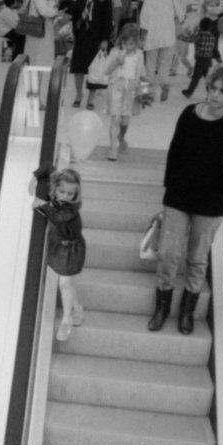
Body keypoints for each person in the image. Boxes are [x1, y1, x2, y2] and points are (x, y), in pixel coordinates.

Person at [149, 66, 223, 335]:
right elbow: (175, 152)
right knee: (168, 253)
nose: (215, 95)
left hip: (213, 203)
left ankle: (187, 310)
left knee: (197, 257)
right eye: (212, 88)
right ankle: (163, 305)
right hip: (179, 196)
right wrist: (169, 188)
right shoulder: (189, 114)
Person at [32, 166, 86, 342]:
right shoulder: (55, 202)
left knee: (64, 283)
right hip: (58, 247)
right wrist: (36, 176)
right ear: (55, 188)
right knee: (67, 283)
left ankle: (66, 320)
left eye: (70, 194)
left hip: (71, 250)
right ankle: (77, 309)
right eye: (62, 191)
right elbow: (46, 171)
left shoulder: (71, 208)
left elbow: (58, 217)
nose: (65, 196)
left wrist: (43, 204)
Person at [96, 24, 146, 159]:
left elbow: (142, 74)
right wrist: (117, 62)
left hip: (131, 89)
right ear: (121, 41)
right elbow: (105, 71)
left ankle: (121, 137)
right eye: (125, 43)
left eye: (131, 44)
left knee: (125, 121)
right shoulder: (114, 52)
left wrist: (145, 90)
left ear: (136, 43)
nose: (128, 47)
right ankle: (113, 148)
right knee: (115, 118)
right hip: (116, 87)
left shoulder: (139, 55)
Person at [66, 0, 113, 109]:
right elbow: (75, 15)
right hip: (82, 36)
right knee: (78, 68)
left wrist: (105, 39)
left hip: (97, 38)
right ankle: (79, 94)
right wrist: (75, 31)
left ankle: (91, 98)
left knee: (95, 69)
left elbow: (107, 18)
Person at [18, 0, 58, 109]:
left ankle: (35, 99)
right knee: (36, 66)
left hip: (39, 34)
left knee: (37, 67)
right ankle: (33, 100)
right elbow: (43, 11)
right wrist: (57, 10)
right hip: (39, 35)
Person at [139, 0, 178, 102]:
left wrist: (141, 39)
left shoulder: (148, 1)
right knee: (164, 66)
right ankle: (165, 85)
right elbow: (181, 15)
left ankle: (147, 94)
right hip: (168, 37)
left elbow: (144, 23)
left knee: (149, 67)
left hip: (152, 38)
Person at [183, 16, 220, 98]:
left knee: (195, 77)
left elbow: (191, 40)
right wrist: (218, 58)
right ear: (210, 27)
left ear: (200, 26)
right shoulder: (212, 37)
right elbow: (214, 49)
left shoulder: (199, 35)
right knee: (208, 78)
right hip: (208, 60)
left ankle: (189, 92)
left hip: (200, 60)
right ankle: (211, 94)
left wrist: (182, 37)